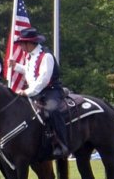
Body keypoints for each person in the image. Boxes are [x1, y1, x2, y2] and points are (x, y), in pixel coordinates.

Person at [9, 27, 69, 158]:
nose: (20, 47)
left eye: (21, 44)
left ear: (29, 43)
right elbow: (30, 72)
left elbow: (43, 79)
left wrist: (27, 92)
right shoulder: (31, 56)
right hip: (36, 91)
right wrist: (16, 67)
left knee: (52, 110)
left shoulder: (46, 56)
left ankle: (61, 144)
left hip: (50, 90)